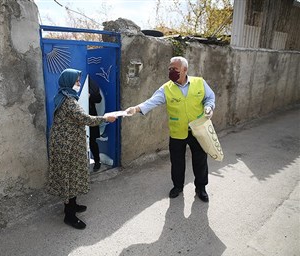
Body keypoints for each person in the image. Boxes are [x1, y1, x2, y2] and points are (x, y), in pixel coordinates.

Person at [125, 56, 215, 203]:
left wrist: (209, 107)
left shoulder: (200, 82)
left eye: (175, 69)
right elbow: (152, 102)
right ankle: (178, 186)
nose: (171, 71)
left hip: (198, 130)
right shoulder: (166, 88)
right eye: (170, 69)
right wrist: (136, 109)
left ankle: (201, 188)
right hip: (177, 132)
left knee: (200, 161)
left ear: (185, 70)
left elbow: (210, 98)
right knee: (177, 162)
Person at [47, 68, 117, 230]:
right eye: (77, 81)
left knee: (72, 175)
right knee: (70, 177)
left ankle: (72, 204)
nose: (79, 84)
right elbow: (85, 119)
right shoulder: (69, 102)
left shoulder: (64, 96)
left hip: (67, 143)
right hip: (67, 146)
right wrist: (105, 118)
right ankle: (69, 216)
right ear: (69, 82)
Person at [88, 77, 102, 171]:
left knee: (92, 141)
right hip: (77, 118)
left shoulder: (89, 82)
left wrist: (89, 96)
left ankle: (97, 162)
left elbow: (98, 98)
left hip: (91, 116)